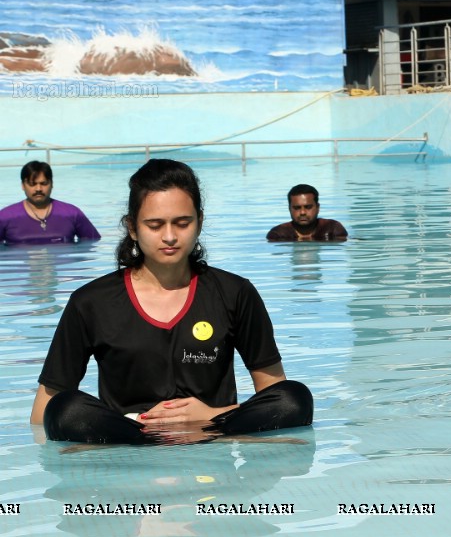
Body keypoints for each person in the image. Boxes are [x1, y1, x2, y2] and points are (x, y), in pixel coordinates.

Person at [30, 159, 313, 444]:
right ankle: (144, 442)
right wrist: (133, 427)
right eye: (154, 225)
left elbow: (274, 393)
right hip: (129, 436)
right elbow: (43, 413)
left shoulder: (234, 292)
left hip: (213, 430)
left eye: (182, 223)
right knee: (64, 410)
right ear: (132, 227)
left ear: (199, 222)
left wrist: (209, 416)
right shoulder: (90, 302)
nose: (169, 237)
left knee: (295, 398)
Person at [0, 161, 101, 245]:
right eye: (32, 184)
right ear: (23, 185)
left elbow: (92, 243)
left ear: (52, 184)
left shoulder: (71, 213)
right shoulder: (5, 217)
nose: (38, 189)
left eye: (43, 184)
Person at [266, 184, 348, 241]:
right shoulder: (278, 234)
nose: (302, 212)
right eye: (297, 208)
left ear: (318, 208)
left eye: (308, 207)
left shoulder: (332, 229)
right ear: (289, 209)